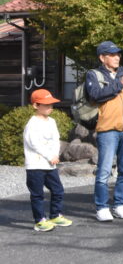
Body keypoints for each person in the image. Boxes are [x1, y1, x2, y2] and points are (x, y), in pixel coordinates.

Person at [86, 41, 123, 222]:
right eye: (112, 54)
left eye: (118, 54)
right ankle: (101, 207)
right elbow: (95, 95)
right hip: (108, 129)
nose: (117, 57)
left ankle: (119, 204)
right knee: (104, 171)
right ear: (102, 58)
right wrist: (119, 83)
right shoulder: (94, 75)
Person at [24, 89, 72, 232]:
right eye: (46, 105)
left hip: (50, 165)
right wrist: (49, 156)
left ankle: (55, 215)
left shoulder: (52, 121)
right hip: (35, 165)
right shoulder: (32, 124)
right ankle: (39, 220)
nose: (50, 107)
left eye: (51, 104)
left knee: (58, 190)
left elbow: (56, 140)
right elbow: (34, 143)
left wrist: (55, 154)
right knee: (37, 194)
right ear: (35, 105)